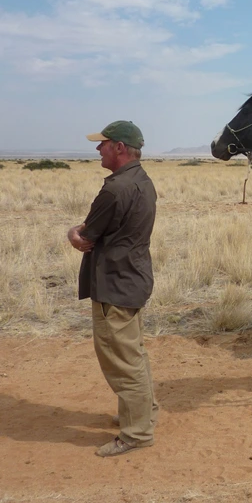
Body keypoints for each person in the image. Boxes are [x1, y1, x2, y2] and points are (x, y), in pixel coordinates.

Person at [67, 120, 159, 457]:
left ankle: (136, 434)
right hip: (132, 279)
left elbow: (85, 238)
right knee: (133, 355)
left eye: (103, 143)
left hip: (114, 285)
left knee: (122, 362)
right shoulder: (142, 181)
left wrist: (72, 233)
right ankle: (142, 414)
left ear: (119, 147)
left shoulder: (115, 189)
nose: (98, 149)